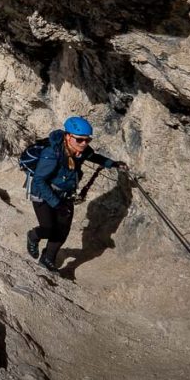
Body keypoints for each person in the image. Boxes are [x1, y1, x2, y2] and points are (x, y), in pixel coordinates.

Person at [26, 116, 127, 272]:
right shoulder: (51, 153)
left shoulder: (81, 151)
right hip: (43, 194)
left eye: (87, 140)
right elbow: (39, 180)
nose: (84, 143)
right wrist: (56, 204)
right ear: (68, 137)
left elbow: (94, 157)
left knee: (62, 231)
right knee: (48, 228)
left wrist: (112, 164)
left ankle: (47, 260)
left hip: (65, 194)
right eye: (79, 140)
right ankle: (33, 236)